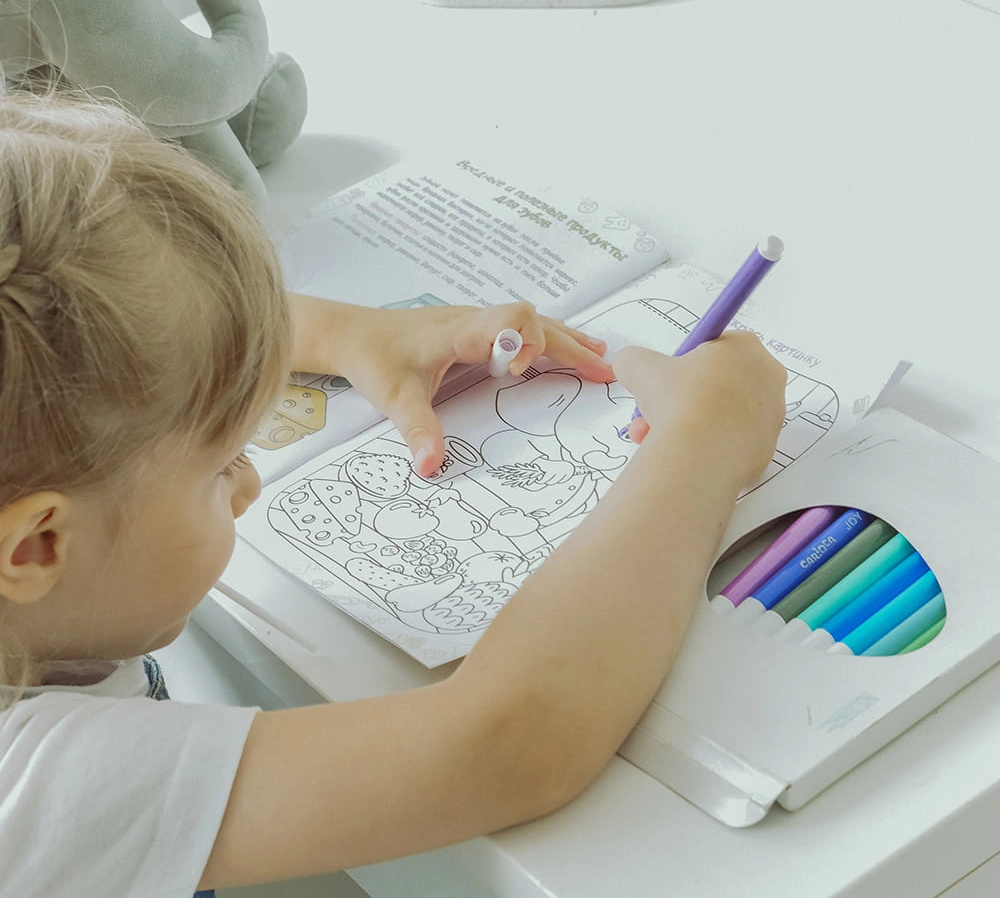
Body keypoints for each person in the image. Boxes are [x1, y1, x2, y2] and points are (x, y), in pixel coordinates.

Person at [0, 87, 786, 897]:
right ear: (36, 547)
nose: (248, 484)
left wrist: (349, 332)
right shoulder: (37, 791)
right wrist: (705, 442)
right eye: (225, 461)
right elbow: (510, 741)